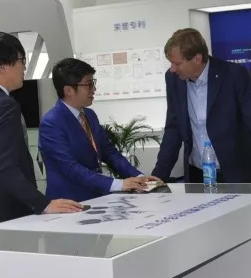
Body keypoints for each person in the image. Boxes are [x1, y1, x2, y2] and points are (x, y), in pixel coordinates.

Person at [0, 33, 82, 230]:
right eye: (21, 60)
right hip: (10, 218)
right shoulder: (5, 106)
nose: (24, 67)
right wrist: (43, 204)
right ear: (3, 66)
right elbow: (6, 167)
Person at [152, 28, 251, 191]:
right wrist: (158, 177)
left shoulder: (233, 75)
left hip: (239, 176)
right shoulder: (173, 79)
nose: (172, 69)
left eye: (177, 63)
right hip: (198, 176)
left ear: (197, 59)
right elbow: (173, 128)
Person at [39, 58, 161, 201]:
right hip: (69, 202)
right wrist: (119, 184)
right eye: (89, 84)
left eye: (93, 83)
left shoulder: (89, 115)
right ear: (68, 90)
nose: (94, 89)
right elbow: (70, 168)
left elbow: (110, 152)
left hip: (96, 198)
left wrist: (139, 177)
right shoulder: (52, 123)